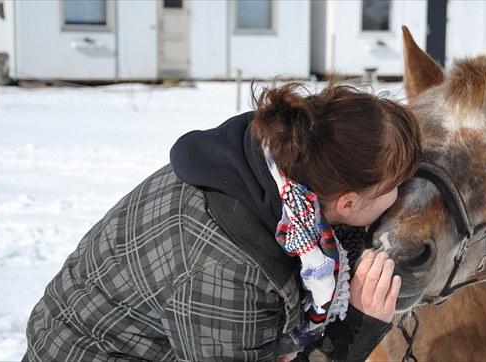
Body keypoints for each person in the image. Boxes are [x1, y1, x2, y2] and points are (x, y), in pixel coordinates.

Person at [23, 82, 422, 361]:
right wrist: (357, 326)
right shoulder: (230, 273)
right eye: (395, 186)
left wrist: (275, 341)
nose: (401, 195)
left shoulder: (272, 157)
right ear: (348, 202)